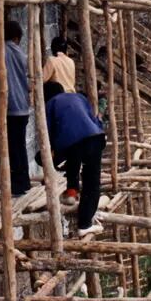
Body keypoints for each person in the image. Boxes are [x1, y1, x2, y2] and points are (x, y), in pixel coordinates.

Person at [43, 81, 105, 236]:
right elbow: (93, 118)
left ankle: (72, 194)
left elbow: (48, 135)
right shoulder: (77, 97)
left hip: (72, 143)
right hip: (94, 137)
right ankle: (85, 221)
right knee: (92, 181)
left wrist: (51, 159)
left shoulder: (49, 105)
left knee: (73, 162)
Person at [0, 19, 32, 196]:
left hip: (8, 107)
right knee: (20, 146)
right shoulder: (23, 55)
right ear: (17, 37)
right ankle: (24, 182)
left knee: (10, 148)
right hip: (23, 107)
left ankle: (17, 186)